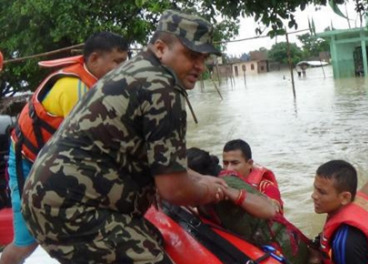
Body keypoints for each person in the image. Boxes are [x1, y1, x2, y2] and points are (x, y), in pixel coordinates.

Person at [21, 10, 227, 263]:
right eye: (192, 55)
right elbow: (173, 189)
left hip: (49, 199)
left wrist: (198, 178)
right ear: (161, 48)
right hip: (72, 209)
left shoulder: (134, 70)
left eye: (204, 58)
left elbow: (162, 163)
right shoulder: (161, 88)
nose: (199, 66)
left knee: (152, 237)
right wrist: (208, 191)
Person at [1, 32, 129, 264]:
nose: (123, 68)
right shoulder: (75, 90)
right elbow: (92, 148)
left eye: (125, 61)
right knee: (26, 242)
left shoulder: (97, 84)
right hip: (27, 163)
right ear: (93, 60)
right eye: (117, 62)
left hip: (55, 161)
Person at [185, 147, 313, 264]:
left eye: (235, 163)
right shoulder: (202, 192)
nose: (230, 168)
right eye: (226, 163)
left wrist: (230, 192)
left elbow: (270, 210)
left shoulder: (226, 185)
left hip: (283, 248)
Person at [311, 160, 368, 264]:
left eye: (322, 192)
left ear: (345, 197)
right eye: (315, 189)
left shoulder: (347, 242)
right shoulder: (359, 203)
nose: (314, 196)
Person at [222, 139, 283, 214]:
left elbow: (273, 214)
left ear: (249, 163)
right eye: (225, 163)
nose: (228, 169)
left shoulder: (267, 188)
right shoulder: (220, 183)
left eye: (235, 163)